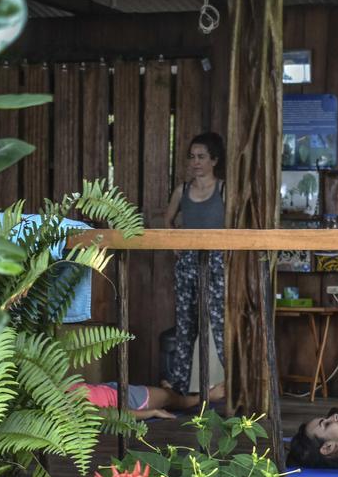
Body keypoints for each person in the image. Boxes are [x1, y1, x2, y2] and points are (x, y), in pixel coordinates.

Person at [162, 133, 226, 401]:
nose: (195, 162)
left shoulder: (224, 189)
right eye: (192, 157)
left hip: (218, 263)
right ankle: (180, 386)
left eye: (201, 157)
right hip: (188, 263)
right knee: (186, 322)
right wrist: (174, 242)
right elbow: (167, 221)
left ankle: (227, 384)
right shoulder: (182, 190)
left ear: (214, 160)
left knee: (218, 321)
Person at [73, 382, 202, 420]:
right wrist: (154, 412)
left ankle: (167, 389)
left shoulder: (56, 389)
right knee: (173, 399)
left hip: (107, 387)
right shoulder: (78, 407)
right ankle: (206, 396)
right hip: (128, 399)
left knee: (168, 396)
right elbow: (116, 415)